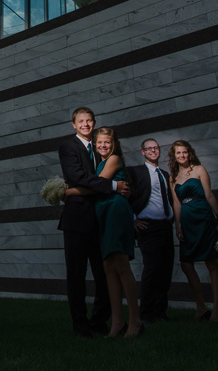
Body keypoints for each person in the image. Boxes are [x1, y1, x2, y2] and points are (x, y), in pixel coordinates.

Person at [57, 107, 129, 337]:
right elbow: (78, 176)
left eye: (89, 120)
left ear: (94, 122)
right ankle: (80, 325)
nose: (86, 124)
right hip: (76, 219)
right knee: (76, 276)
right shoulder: (68, 147)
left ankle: (99, 321)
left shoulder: (101, 147)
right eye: (81, 121)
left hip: (101, 218)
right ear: (73, 124)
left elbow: (110, 171)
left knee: (104, 273)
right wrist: (113, 186)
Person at [169, 140, 218, 322]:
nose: (182, 156)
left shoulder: (199, 169)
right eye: (178, 153)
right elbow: (176, 203)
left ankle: (217, 308)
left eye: (184, 152)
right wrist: (178, 225)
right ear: (174, 156)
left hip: (203, 217)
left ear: (189, 153)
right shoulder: (173, 177)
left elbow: (209, 194)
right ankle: (201, 307)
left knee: (211, 262)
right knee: (186, 264)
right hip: (187, 220)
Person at [127, 138, 174, 324]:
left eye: (156, 148)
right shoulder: (136, 172)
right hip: (148, 227)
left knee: (165, 270)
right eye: (149, 148)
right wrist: (133, 219)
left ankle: (160, 311)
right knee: (152, 270)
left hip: (165, 226)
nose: (153, 151)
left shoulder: (164, 174)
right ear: (143, 152)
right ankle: (145, 313)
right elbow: (124, 195)